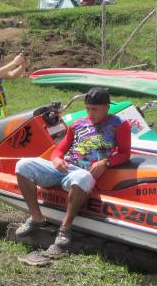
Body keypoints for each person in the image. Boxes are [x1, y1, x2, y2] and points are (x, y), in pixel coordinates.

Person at [14, 88, 131, 257]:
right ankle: (36, 217)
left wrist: (106, 162)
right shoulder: (78, 124)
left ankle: (65, 228)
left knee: (83, 177)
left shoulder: (120, 124)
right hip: (63, 168)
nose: (90, 113)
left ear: (106, 107)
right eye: (88, 109)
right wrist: (56, 159)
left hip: (82, 173)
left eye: (95, 109)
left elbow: (125, 153)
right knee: (23, 165)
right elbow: (59, 150)